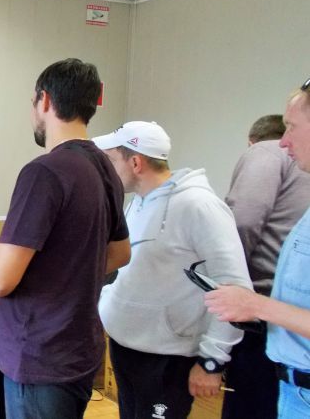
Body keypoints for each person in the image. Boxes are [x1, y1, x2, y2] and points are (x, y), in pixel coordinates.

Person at [0, 58, 131, 419]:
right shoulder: (104, 168)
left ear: (44, 100)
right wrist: (68, 277)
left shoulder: (44, 172)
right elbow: (120, 253)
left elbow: (0, 280)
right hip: (79, 350)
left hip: (39, 356)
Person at [93, 121, 253, 419]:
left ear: (136, 162)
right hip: (127, 347)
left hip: (167, 359)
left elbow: (235, 289)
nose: (107, 170)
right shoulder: (137, 203)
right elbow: (135, 270)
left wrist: (212, 361)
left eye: (112, 160)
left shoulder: (199, 206)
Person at [206, 78, 310, 418]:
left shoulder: (264, 154)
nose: (283, 141)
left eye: (292, 127)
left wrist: (253, 303)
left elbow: (243, 224)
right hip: (290, 383)